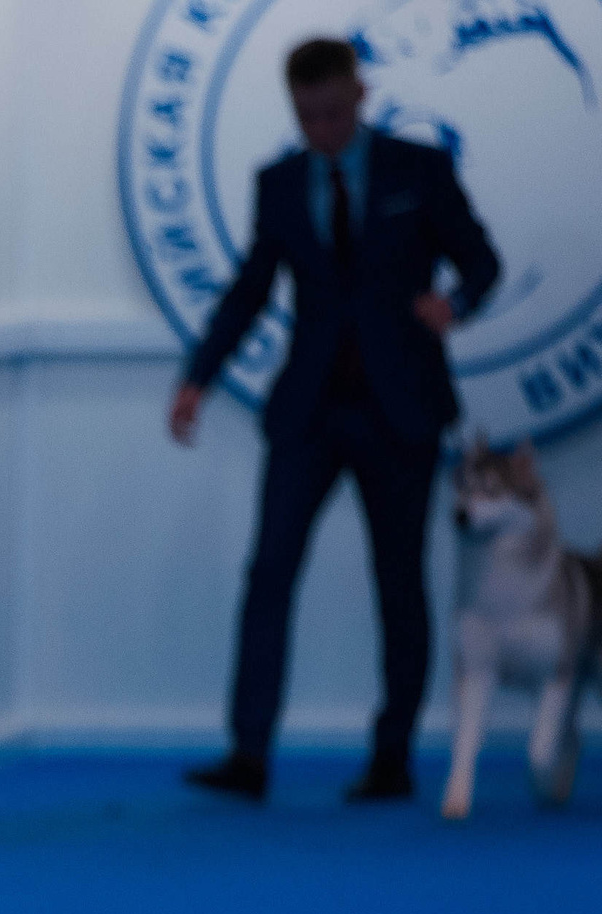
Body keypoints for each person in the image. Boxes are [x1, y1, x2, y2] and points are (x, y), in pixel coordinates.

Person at [171, 37, 500, 804]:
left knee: (399, 584)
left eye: (330, 111)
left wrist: (455, 302)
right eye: (305, 115)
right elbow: (251, 289)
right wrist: (198, 378)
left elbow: (482, 258)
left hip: (401, 411)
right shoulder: (280, 184)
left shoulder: (418, 170)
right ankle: (248, 756)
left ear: (361, 93)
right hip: (310, 412)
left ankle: (393, 759)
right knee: (269, 575)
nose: (319, 128)